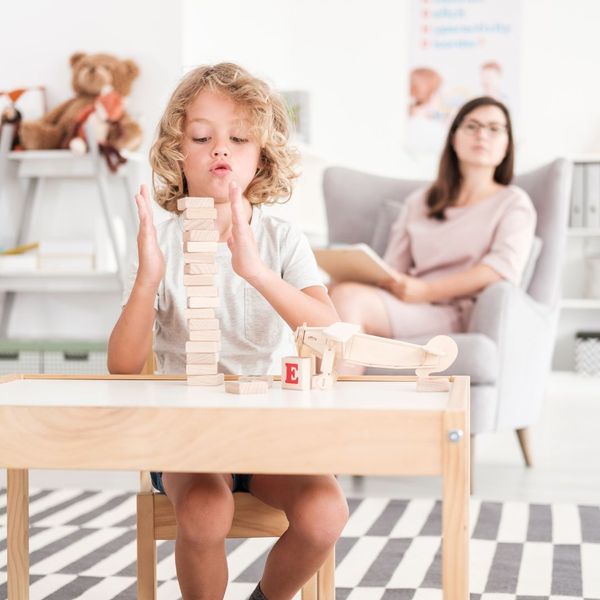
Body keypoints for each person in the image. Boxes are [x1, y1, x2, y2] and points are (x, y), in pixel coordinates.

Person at [107, 63, 348, 600]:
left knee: (326, 512)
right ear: (178, 152)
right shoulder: (161, 243)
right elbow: (123, 366)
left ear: (261, 158)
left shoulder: (282, 239)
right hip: (188, 439)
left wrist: (256, 271)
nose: (221, 148)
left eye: (239, 138)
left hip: (271, 434)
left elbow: (329, 330)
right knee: (206, 510)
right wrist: (148, 279)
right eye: (202, 136)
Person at [330, 96, 536, 374]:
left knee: (349, 300)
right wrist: (356, 272)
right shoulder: (421, 201)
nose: (482, 135)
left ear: (507, 145)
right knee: (326, 296)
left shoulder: (513, 203)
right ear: (454, 138)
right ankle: (318, 403)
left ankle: (335, 412)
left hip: (453, 310)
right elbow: (394, 268)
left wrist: (426, 291)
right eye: (472, 126)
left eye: (494, 128)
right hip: (407, 302)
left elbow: (501, 269)